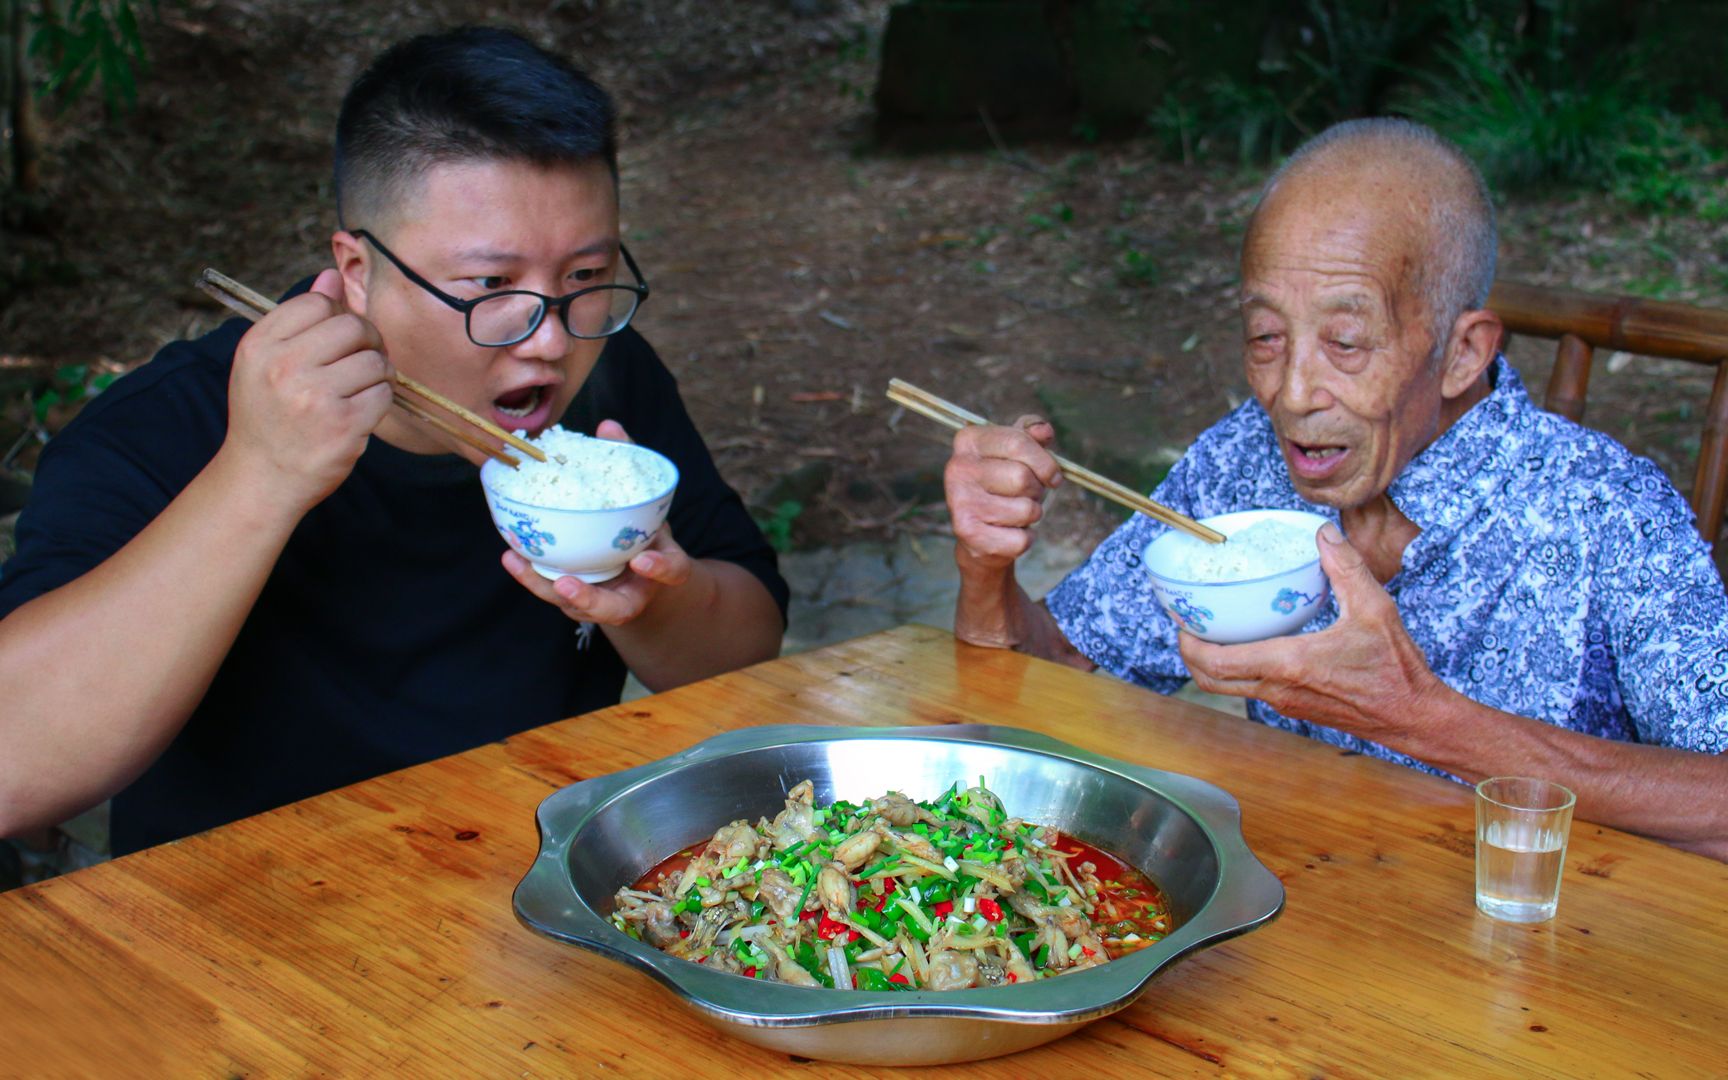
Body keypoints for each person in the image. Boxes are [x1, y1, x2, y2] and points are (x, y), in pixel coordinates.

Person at [0, 27, 787, 855]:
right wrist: (261, 474)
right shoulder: (173, 424)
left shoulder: (611, 388)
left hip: (530, 888)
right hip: (232, 925)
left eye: (585, 278)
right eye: (490, 284)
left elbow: (750, 652)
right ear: (356, 269)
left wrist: (653, 598)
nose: (550, 339)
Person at [943, 118, 1728, 860]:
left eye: (1346, 342)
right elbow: (1049, 683)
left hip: (1550, 962)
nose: (1290, 392)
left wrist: (1423, 720)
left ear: (1462, 354)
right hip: (1310, 921)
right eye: (1265, 337)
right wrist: (986, 564)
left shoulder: (1603, 510)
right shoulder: (1244, 465)